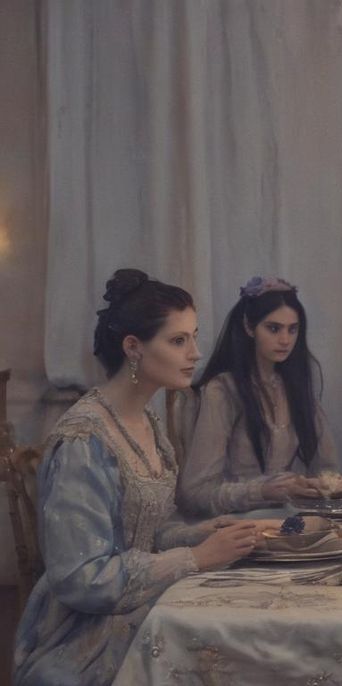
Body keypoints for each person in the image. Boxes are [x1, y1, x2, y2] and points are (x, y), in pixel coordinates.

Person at [13, 269, 259, 685]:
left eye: (194, 337)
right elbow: (81, 578)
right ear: (133, 347)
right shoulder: (84, 440)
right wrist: (196, 558)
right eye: (178, 340)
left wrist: (204, 533)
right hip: (85, 635)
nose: (196, 353)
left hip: (141, 607)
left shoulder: (146, 422)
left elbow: (146, 533)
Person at [179, 276, 339, 517]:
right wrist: (262, 491)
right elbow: (195, 494)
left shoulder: (293, 385)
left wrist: (317, 485)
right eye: (273, 328)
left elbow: (326, 468)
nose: (285, 340)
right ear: (248, 326)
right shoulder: (223, 391)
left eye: (292, 329)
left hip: (287, 521)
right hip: (235, 526)